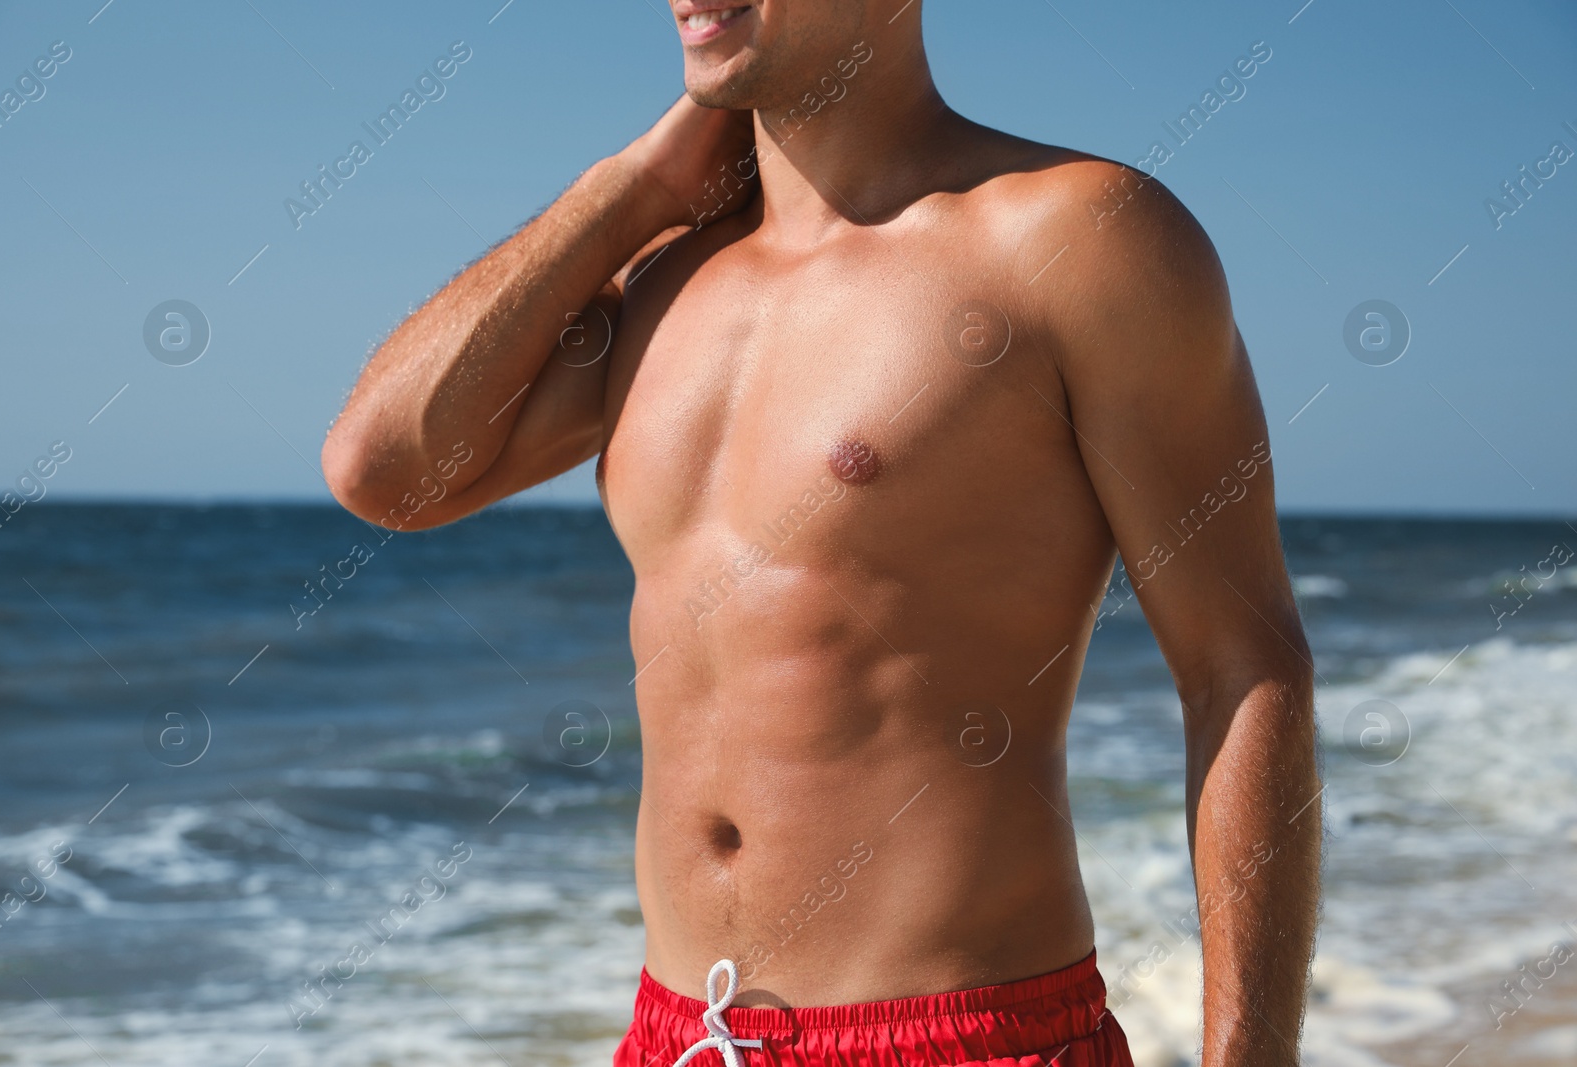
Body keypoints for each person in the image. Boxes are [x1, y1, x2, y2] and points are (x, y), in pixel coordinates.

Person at [321, 2, 1322, 1064]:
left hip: (963, 1036)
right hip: (678, 1035)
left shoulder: (1075, 239)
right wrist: (627, 192)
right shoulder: (662, 279)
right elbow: (382, 469)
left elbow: (1242, 666)